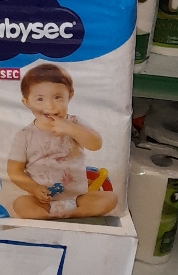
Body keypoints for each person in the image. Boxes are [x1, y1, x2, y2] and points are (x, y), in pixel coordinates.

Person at [6, 63, 114, 219]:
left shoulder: (75, 123)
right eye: (40, 99)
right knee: (21, 204)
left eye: (57, 97)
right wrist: (34, 188)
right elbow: (14, 171)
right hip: (43, 200)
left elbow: (96, 144)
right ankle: (49, 217)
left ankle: (73, 215)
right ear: (27, 102)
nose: (50, 106)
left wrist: (70, 128)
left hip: (78, 198)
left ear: (69, 96)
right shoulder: (24, 135)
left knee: (111, 198)